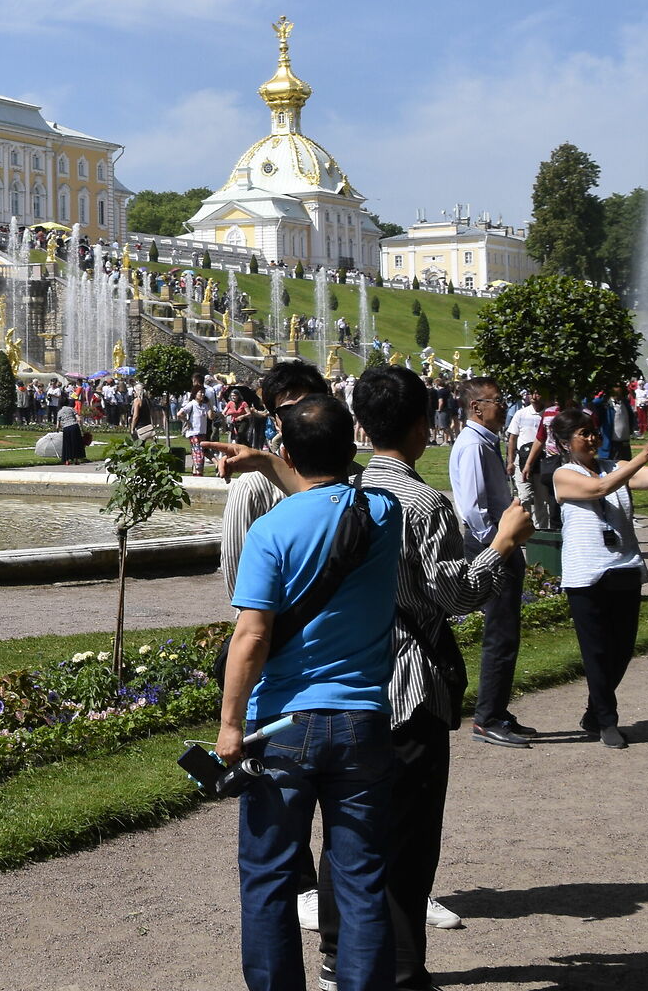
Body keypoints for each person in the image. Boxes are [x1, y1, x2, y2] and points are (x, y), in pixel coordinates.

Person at [326, 365, 532, 987]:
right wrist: (502, 543)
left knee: (353, 830)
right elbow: (454, 594)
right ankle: (402, 971)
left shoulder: (344, 492)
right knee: (410, 840)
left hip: (348, 679)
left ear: (363, 425)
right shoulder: (422, 503)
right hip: (409, 684)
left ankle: (344, 958)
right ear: (422, 426)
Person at [209, 394, 405, 991]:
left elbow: (251, 636)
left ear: (288, 454)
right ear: (353, 446)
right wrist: (281, 460)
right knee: (361, 879)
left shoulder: (271, 528)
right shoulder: (384, 513)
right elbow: (337, 496)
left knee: (269, 877)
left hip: (282, 726)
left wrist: (229, 726)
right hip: (362, 719)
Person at [551, 409, 648, 747]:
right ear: (565, 443)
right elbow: (598, 488)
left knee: (622, 650)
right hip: (586, 573)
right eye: (584, 433)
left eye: (594, 431)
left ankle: (595, 712)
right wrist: (641, 456)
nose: (593, 438)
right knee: (596, 651)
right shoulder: (563, 474)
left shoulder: (616, 467)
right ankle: (607, 720)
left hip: (625, 567)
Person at [447, 376, 538, 748]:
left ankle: (497, 710)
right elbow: (473, 507)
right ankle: (487, 718)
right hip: (493, 545)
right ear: (476, 407)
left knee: (507, 631)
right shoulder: (473, 445)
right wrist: (499, 545)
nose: (503, 406)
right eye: (497, 401)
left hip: (501, 543)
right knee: (500, 634)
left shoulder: (485, 441)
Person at [220, 360, 331, 607]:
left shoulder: (355, 476)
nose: (303, 417)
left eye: (310, 406)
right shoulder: (252, 487)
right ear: (274, 419)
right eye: (289, 410)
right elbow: (238, 580)